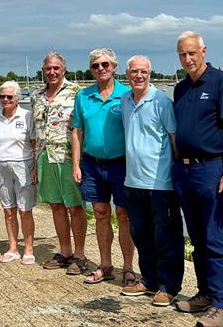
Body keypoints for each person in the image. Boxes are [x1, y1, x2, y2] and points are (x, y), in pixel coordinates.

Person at [172, 31, 223, 327]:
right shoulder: (180, 88)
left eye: (192, 53)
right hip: (185, 171)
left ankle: (222, 304)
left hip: (213, 169)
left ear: (203, 51)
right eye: (182, 54)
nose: (188, 59)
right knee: (198, 238)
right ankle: (204, 293)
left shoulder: (222, 82)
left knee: (216, 235)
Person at [119, 55, 184, 307]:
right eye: (134, 71)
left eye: (143, 72)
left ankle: (169, 286)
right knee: (141, 235)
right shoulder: (125, 99)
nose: (139, 76)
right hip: (133, 181)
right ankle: (149, 280)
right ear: (127, 74)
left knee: (166, 237)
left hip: (161, 183)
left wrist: (177, 174)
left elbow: (174, 139)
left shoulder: (161, 101)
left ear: (150, 74)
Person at [71, 48, 136, 286]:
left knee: (124, 214)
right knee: (100, 213)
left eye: (105, 64)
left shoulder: (127, 94)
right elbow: (77, 131)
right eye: (96, 65)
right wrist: (76, 164)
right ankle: (105, 264)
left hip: (122, 164)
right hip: (92, 164)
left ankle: (128, 268)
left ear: (115, 67)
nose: (101, 69)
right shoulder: (84, 96)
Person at [31, 51, 88, 275]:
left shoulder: (77, 92)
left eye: (56, 68)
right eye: (48, 68)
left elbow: (82, 127)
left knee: (75, 207)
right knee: (56, 206)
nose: (52, 72)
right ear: (43, 70)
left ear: (63, 69)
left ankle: (80, 255)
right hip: (46, 157)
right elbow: (36, 134)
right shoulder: (36, 95)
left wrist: (79, 162)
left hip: (68, 158)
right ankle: (65, 252)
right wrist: (35, 164)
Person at [0, 81, 36, 265]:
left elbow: (34, 144)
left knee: (25, 210)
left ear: (17, 98)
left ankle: (29, 248)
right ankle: (13, 247)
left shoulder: (27, 116)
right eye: (2, 96)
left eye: (9, 96)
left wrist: (36, 169)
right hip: (1, 165)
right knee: (8, 210)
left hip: (23, 164)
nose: (5, 100)